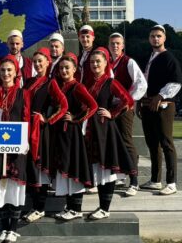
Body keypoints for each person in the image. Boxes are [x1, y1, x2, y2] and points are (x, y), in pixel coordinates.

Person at [0, 56, 32, 243]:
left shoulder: (23, 93)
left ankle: (14, 229)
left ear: (16, 72)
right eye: (3, 70)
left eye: (9, 70)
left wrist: (26, 140)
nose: (6, 74)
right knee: (1, 184)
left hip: (17, 145)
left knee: (15, 185)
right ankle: (4, 227)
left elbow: (26, 117)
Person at [86, 48, 136, 219]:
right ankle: (101, 207)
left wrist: (112, 113)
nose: (95, 64)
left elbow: (127, 100)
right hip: (93, 130)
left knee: (107, 170)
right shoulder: (90, 82)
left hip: (105, 130)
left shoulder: (110, 82)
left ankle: (105, 208)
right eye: (92, 62)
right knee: (99, 170)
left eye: (98, 61)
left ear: (106, 62)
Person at [22, 48, 67, 222]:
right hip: (26, 128)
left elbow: (63, 105)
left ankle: (40, 207)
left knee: (40, 167)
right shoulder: (28, 82)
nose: (38, 64)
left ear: (48, 62)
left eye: (41, 61)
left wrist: (47, 119)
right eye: (35, 62)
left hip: (40, 131)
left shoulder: (51, 83)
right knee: (31, 167)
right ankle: (34, 205)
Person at [52, 53, 98, 221]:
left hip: (72, 134)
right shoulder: (59, 86)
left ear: (74, 70)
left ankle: (76, 208)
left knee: (74, 167)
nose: (64, 71)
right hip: (61, 134)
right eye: (61, 68)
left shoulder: (77, 87)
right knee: (66, 168)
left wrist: (76, 118)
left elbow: (93, 106)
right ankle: (70, 206)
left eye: (67, 68)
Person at [140, 25, 182, 195]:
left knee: (166, 142)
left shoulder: (169, 58)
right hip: (148, 105)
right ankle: (155, 179)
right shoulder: (149, 57)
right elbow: (143, 80)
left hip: (164, 106)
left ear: (164, 38)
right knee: (152, 143)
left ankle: (171, 182)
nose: (155, 39)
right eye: (152, 36)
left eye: (158, 36)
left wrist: (160, 96)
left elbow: (176, 82)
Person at [108, 33, 148, 196]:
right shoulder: (108, 63)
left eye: (118, 43)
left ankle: (134, 180)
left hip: (124, 107)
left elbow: (141, 83)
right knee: (115, 142)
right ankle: (120, 175)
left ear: (123, 45)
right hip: (111, 107)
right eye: (112, 44)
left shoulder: (128, 62)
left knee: (126, 140)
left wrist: (129, 100)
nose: (115, 46)